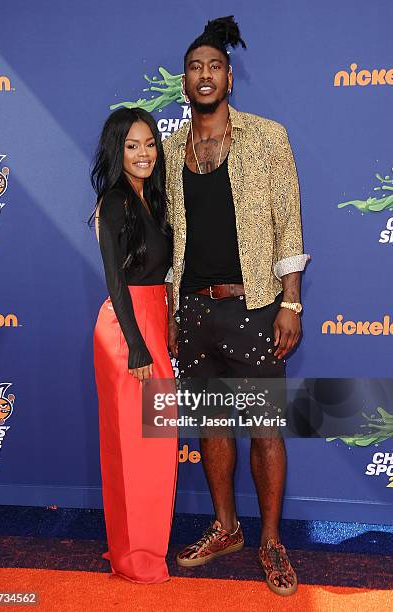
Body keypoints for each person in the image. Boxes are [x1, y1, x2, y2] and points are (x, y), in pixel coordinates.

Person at [163, 16, 309, 596]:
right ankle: (225, 527)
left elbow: (287, 224)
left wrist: (291, 302)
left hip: (254, 307)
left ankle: (271, 541)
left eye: (214, 67)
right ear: (185, 83)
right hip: (194, 313)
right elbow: (169, 234)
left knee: (265, 428)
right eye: (195, 68)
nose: (205, 75)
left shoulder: (267, 137)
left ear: (230, 79)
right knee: (212, 426)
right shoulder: (171, 148)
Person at [91, 107, 178, 584]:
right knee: (136, 446)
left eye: (149, 144)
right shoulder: (116, 201)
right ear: (116, 149)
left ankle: (140, 547)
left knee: (155, 444)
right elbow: (116, 281)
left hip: (152, 320)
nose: (144, 153)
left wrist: (165, 328)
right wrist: (138, 347)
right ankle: (133, 556)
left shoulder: (152, 198)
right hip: (126, 332)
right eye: (132, 145)